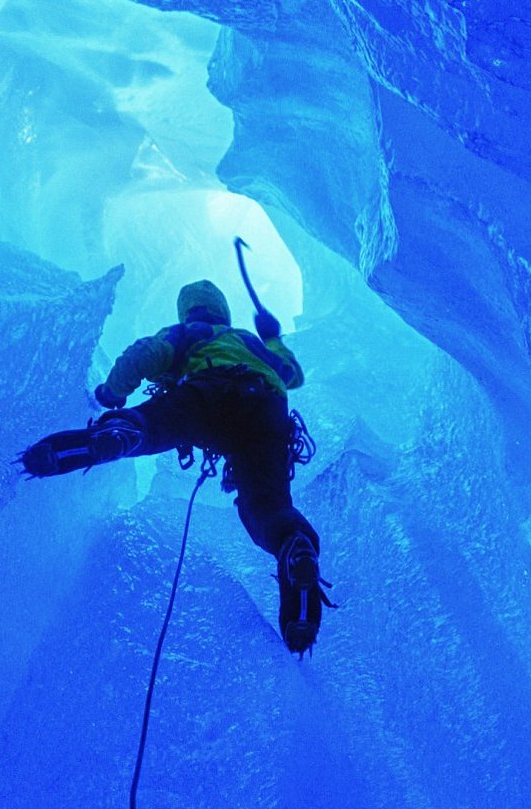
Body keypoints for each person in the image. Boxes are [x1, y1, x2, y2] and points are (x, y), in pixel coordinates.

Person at [20, 279, 332, 655]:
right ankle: (294, 552)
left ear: (189, 310)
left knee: (152, 425)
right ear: (223, 310)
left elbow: (146, 353)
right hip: (268, 416)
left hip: (212, 392)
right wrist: (271, 337)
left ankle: (115, 435)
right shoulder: (249, 341)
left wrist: (111, 393)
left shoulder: (192, 332)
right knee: (267, 508)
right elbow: (290, 374)